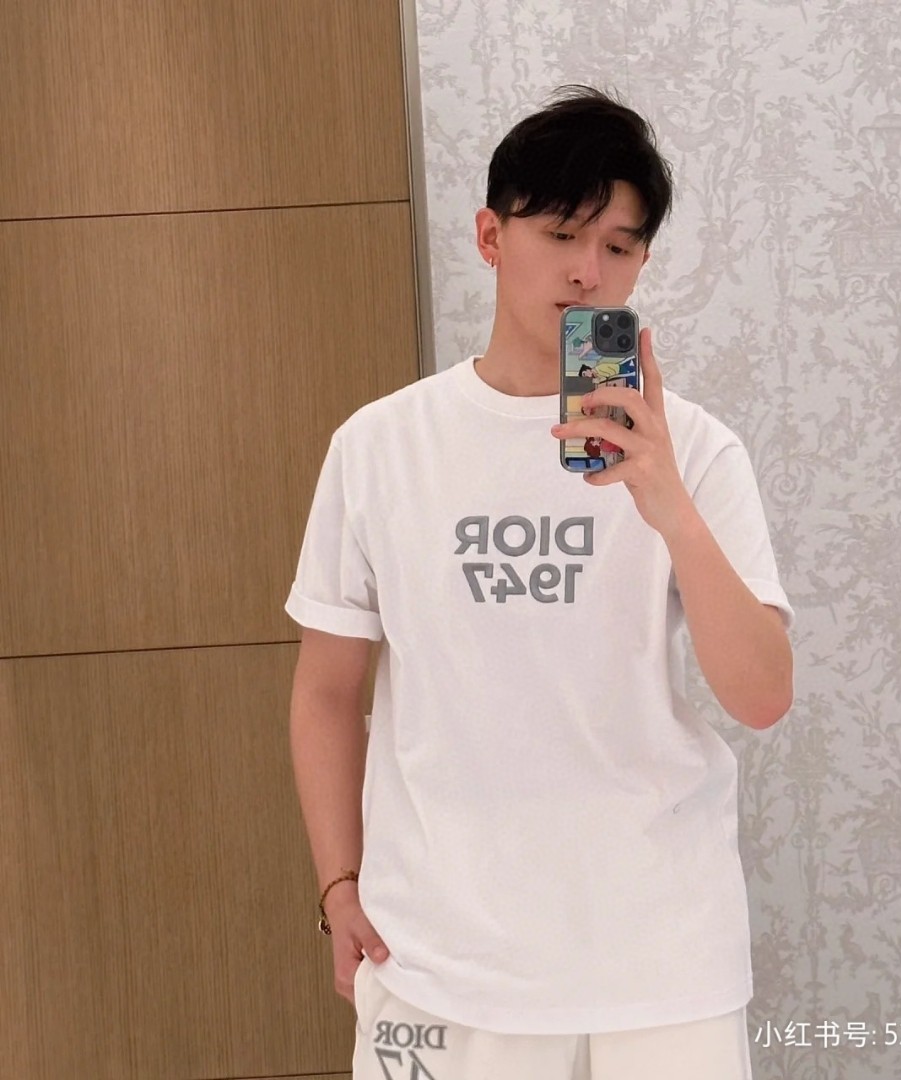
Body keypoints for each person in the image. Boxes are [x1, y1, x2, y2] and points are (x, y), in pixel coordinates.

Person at [286, 84, 794, 1080]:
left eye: (619, 246)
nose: (587, 270)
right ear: (490, 235)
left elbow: (763, 696)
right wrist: (338, 887)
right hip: (438, 958)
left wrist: (667, 503)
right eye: (562, 233)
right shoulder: (381, 447)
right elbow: (327, 691)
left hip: (658, 961)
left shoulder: (695, 451)